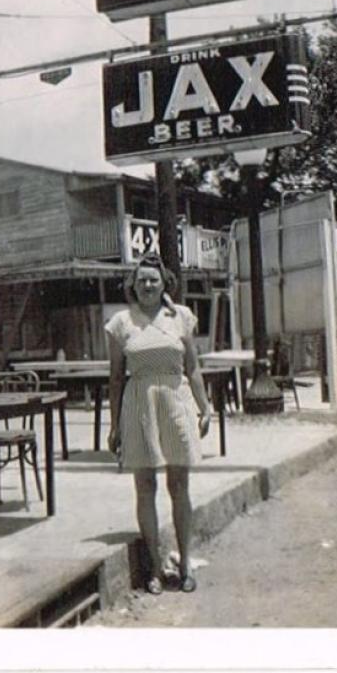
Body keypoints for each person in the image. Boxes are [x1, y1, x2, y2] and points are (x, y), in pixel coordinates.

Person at [105, 252, 212, 595]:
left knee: (179, 486)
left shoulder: (180, 316)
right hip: (138, 405)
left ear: (165, 282)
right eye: (141, 280)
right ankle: (153, 565)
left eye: (153, 279)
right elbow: (116, 378)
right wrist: (114, 425)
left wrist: (205, 406)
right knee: (145, 486)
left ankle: (184, 566)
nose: (147, 285)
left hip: (176, 401)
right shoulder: (121, 322)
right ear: (133, 286)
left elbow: (193, 368)